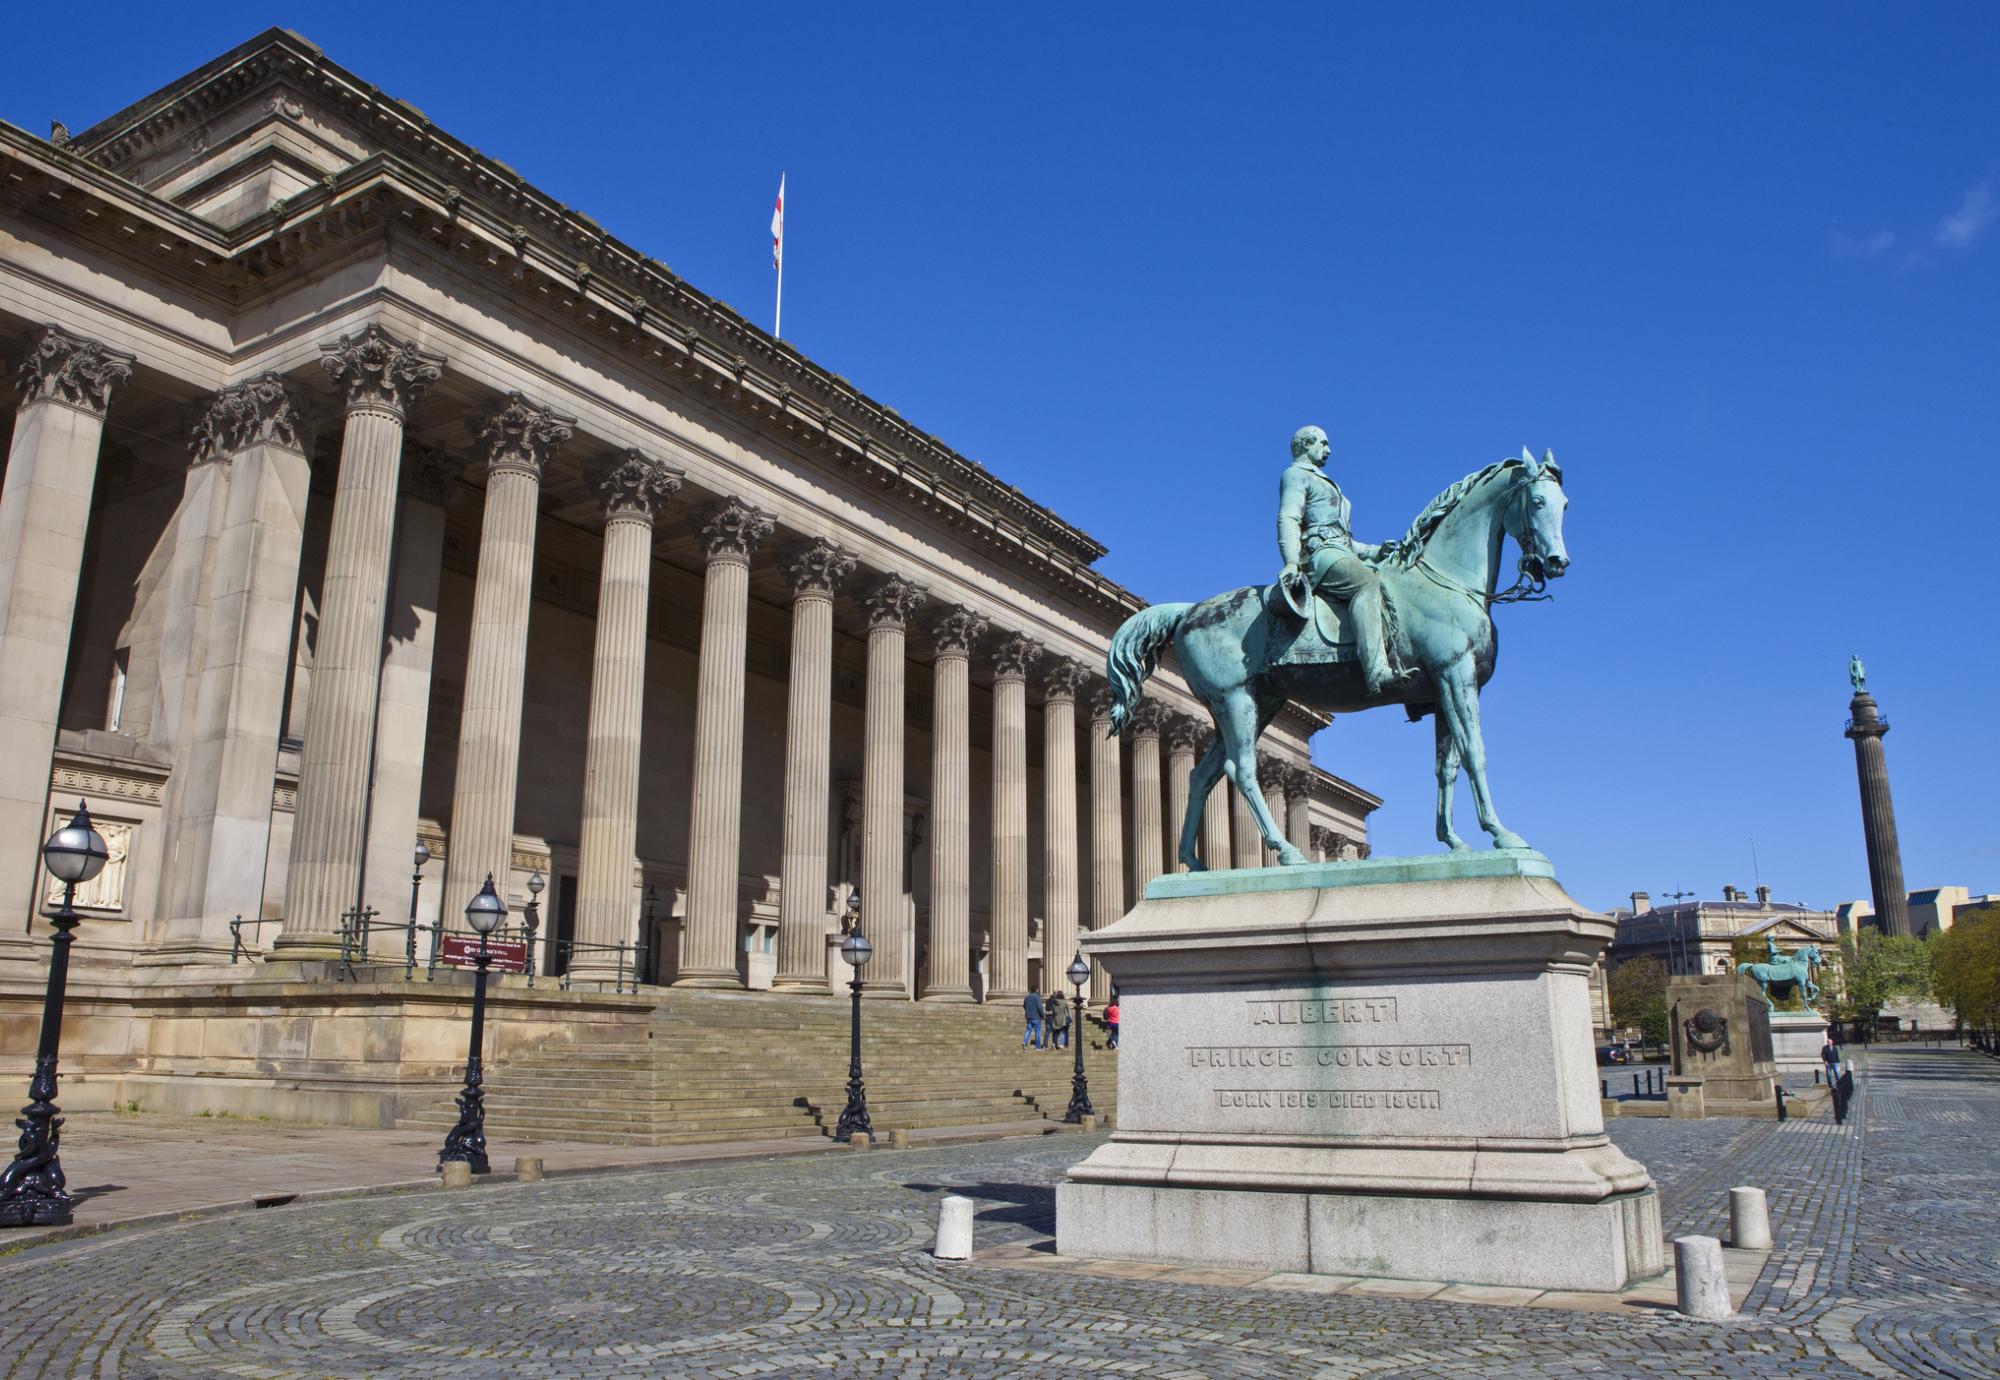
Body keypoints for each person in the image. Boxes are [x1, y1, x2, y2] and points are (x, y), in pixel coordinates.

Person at [1276, 425, 1399, 695]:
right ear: (1306, 445)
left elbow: (1344, 539)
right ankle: (1376, 671)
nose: (1329, 450)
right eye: (1323, 443)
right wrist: (1291, 561)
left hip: (1339, 551)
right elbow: (1289, 518)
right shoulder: (1295, 474)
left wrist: (1376, 551)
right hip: (1319, 555)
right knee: (1366, 583)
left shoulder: (1327, 481)